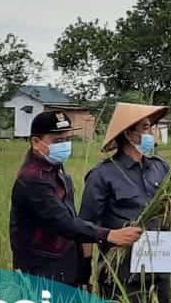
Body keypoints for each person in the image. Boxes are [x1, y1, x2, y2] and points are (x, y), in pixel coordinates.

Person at [10, 111, 143, 287]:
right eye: (57, 141)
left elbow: (72, 221)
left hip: (64, 264)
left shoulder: (56, 169)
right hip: (41, 270)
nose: (64, 145)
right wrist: (110, 235)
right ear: (36, 142)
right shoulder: (33, 179)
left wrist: (83, 267)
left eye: (67, 139)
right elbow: (64, 223)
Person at [79, 102, 171, 303]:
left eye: (151, 127)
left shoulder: (160, 168)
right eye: (146, 128)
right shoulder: (102, 175)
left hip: (159, 266)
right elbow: (86, 225)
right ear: (129, 134)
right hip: (121, 271)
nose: (151, 133)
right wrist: (85, 270)